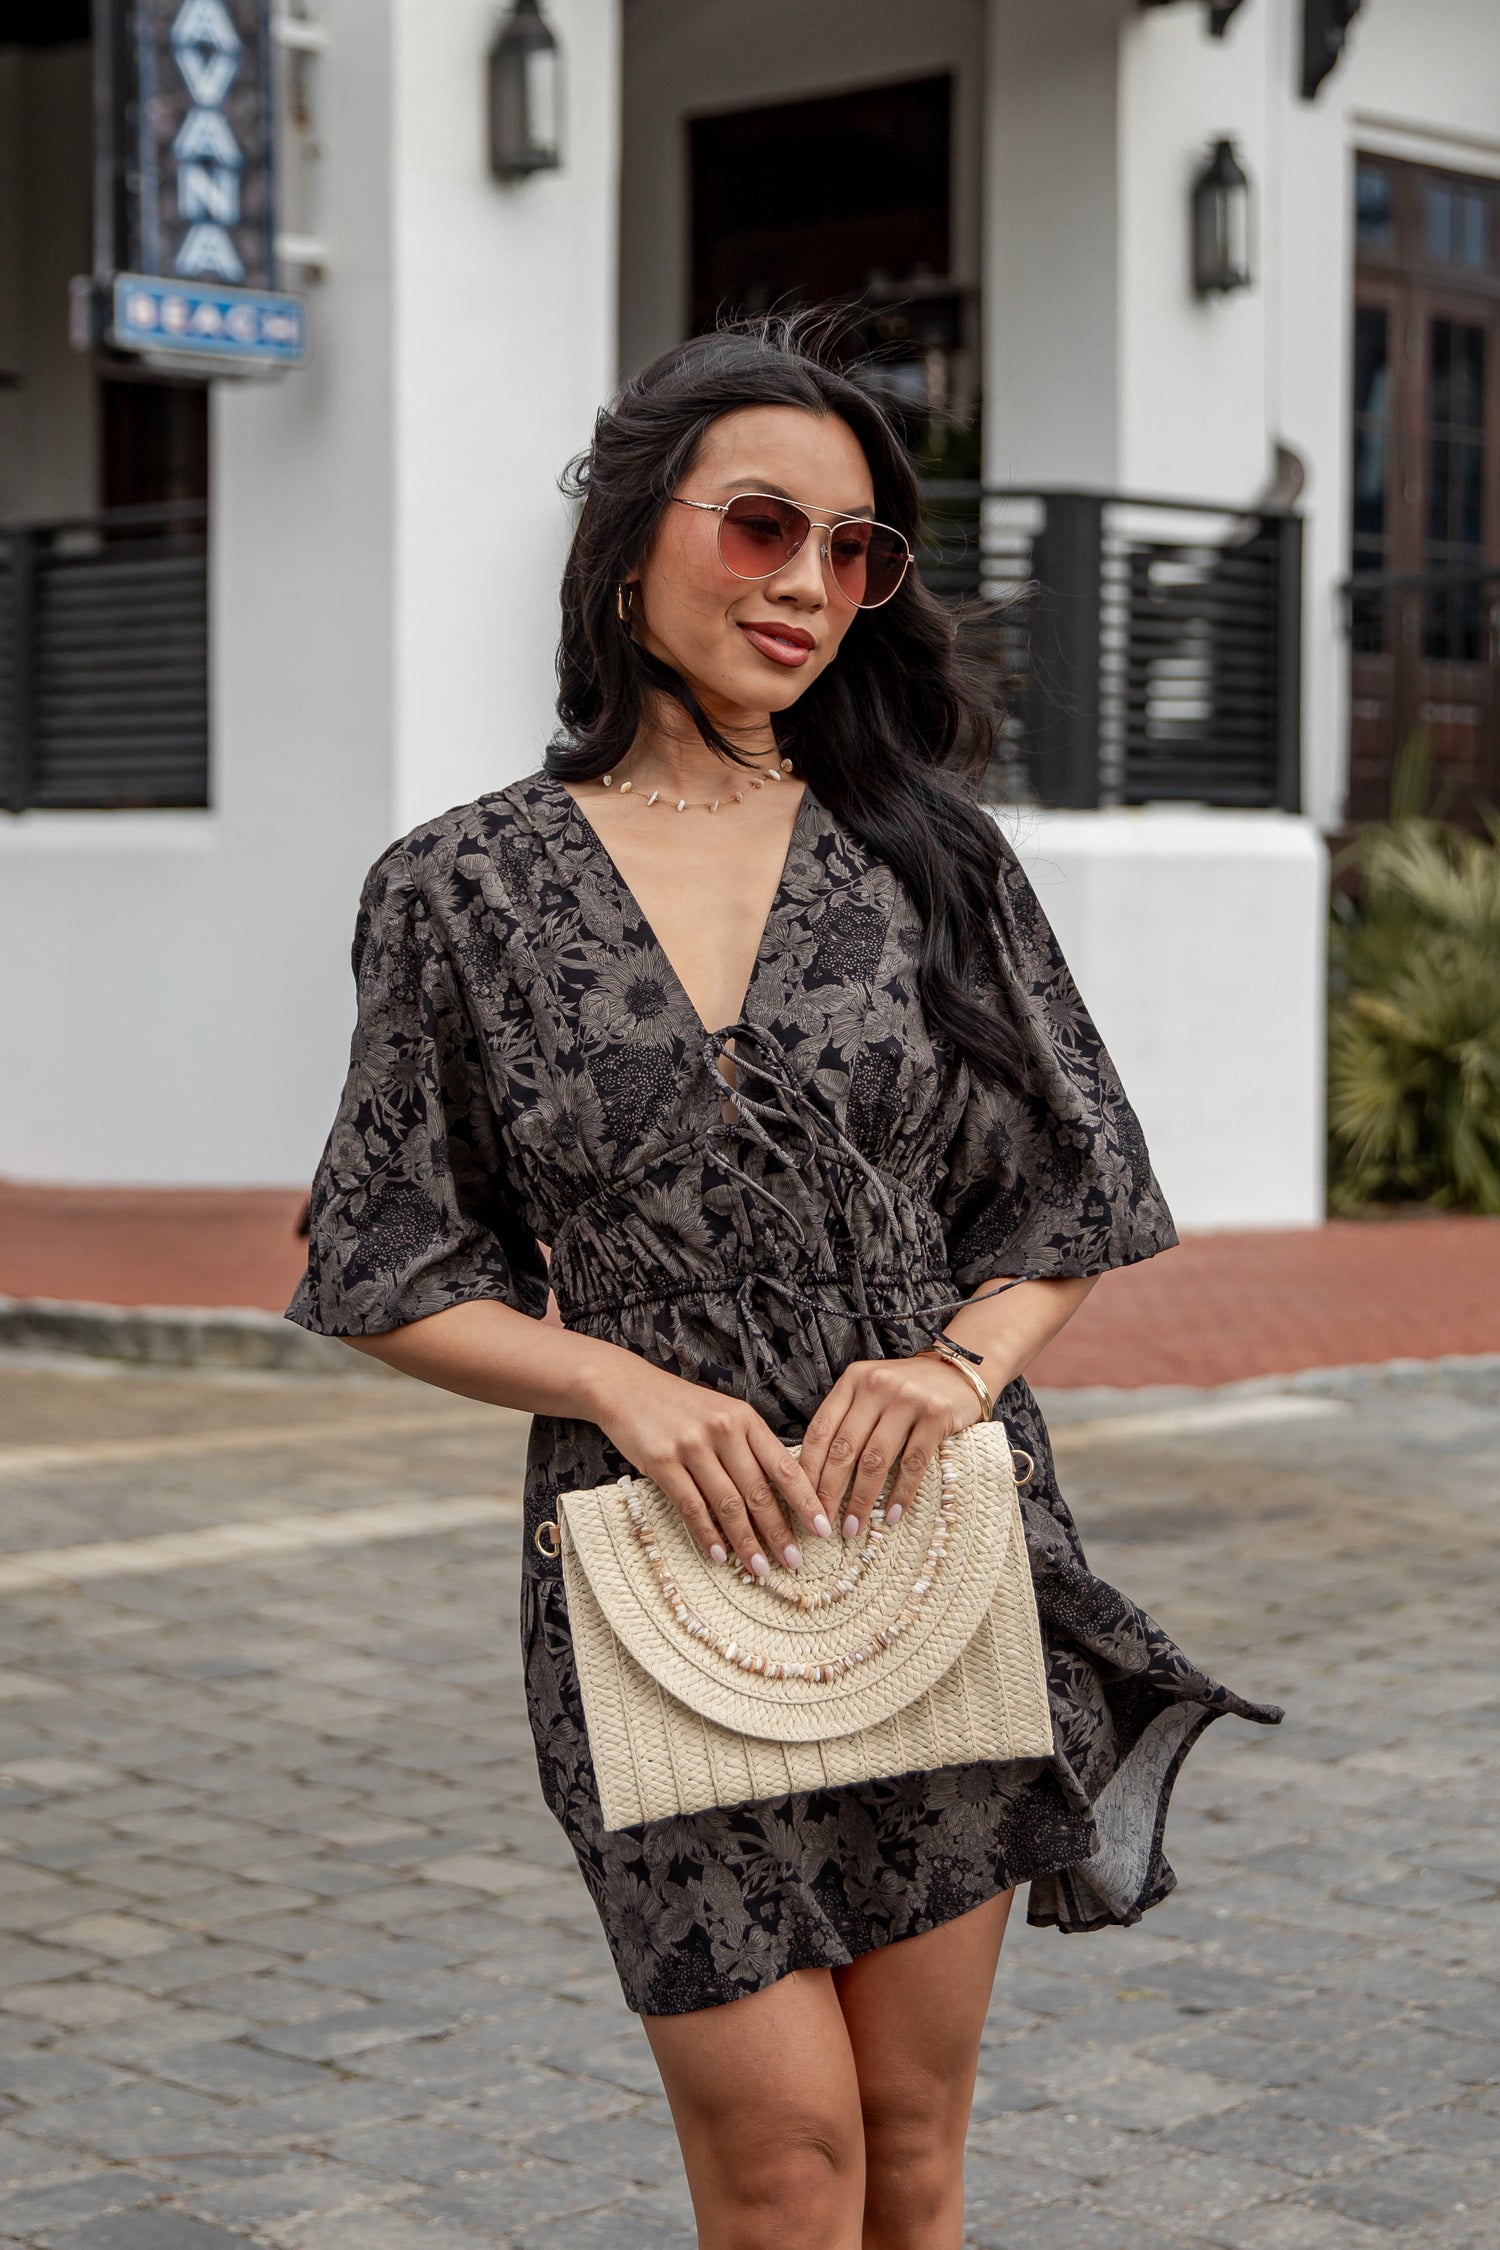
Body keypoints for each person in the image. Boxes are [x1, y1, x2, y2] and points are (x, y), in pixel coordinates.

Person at [288, 324, 1280, 2250]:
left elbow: (1077, 1188)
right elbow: (381, 1260)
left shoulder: (933, 859)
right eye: (761, 526)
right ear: (627, 543)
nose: (808, 584)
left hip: (929, 1540)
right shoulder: (458, 887)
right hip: (657, 1558)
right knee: (782, 2165)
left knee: (907, 2147)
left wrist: (959, 1368)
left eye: (854, 550)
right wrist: (614, 1382)